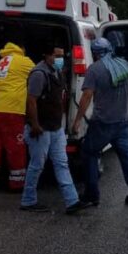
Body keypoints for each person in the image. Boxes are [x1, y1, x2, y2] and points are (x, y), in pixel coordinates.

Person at [70, 36, 128, 209]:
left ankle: (92, 195)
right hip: (123, 123)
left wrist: (77, 121)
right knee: (127, 159)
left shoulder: (95, 70)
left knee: (89, 153)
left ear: (95, 53)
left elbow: (86, 96)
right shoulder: (124, 64)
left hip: (103, 124)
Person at [21, 44, 88, 215]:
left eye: (62, 55)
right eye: (57, 56)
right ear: (47, 55)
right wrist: (35, 125)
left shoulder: (57, 72)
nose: (60, 59)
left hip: (55, 128)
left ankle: (72, 201)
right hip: (41, 129)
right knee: (37, 165)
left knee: (61, 163)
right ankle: (28, 200)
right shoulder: (39, 73)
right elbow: (31, 101)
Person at [0, 41, 35, 192]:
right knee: (15, 146)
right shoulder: (24, 61)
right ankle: (16, 183)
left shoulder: (2, 60)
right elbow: (40, 74)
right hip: (13, 109)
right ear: (22, 48)